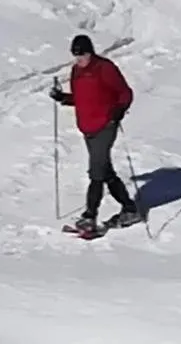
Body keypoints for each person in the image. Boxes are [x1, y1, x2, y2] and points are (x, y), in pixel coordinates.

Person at [48, 34, 142, 235]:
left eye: (82, 55)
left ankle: (90, 216)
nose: (79, 59)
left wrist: (119, 110)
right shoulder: (76, 71)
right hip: (87, 128)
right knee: (105, 171)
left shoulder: (104, 68)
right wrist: (63, 97)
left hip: (105, 125)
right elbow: (82, 98)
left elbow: (125, 93)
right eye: (76, 55)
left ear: (90, 52)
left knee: (96, 173)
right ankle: (130, 208)